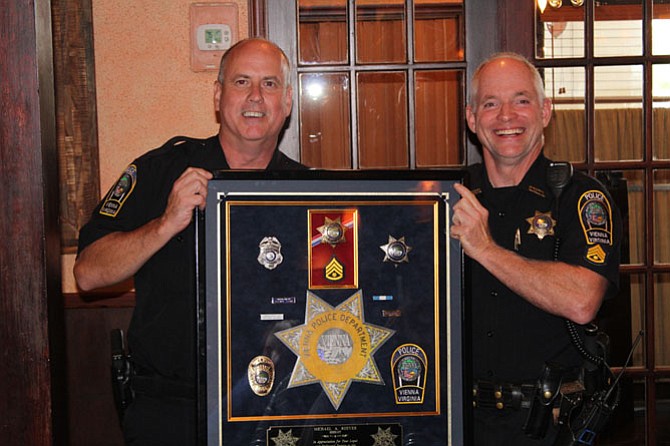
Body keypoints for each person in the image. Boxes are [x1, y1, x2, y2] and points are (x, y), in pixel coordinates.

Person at [74, 38, 307, 445]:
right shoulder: (160, 171)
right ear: (218, 96)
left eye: (270, 85)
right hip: (171, 411)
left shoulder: (310, 191)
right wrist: (166, 223)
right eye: (241, 82)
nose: (256, 97)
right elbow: (88, 274)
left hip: (277, 409)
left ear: (287, 102)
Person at [450, 53, 622, 445]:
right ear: (472, 118)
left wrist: (486, 249)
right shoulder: (449, 196)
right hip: (459, 420)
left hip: (551, 424)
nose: (506, 116)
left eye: (521, 100)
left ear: (545, 111)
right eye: (490, 103)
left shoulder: (580, 197)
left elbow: (581, 300)